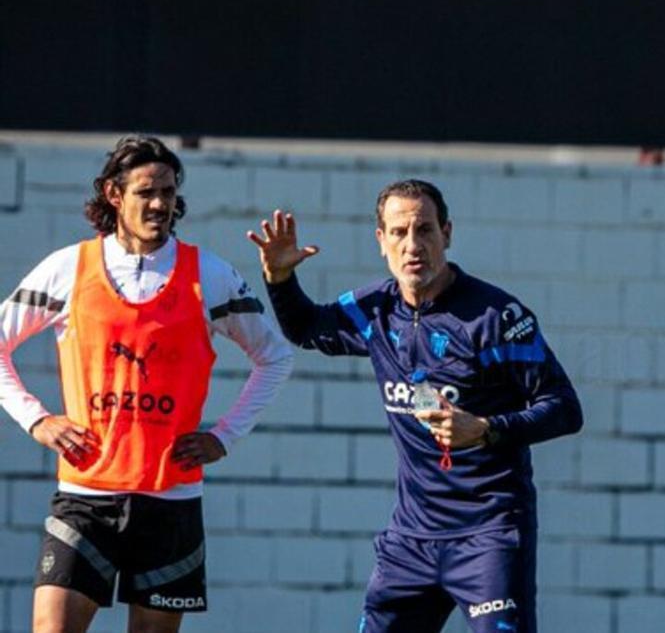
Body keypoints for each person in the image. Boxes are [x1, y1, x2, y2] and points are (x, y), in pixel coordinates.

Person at [249, 179, 582, 633]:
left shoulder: (495, 317)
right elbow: (308, 328)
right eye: (400, 232)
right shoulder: (376, 309)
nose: (413, 245)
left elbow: (564, 407)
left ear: (447, 233)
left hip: (488, 534)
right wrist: (281, 279)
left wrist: (485, 429)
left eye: (424, 230)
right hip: (412, 540)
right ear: (381, 240)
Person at [0, 135, 294, 633]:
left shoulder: (210, 275)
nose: (160, 203)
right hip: (84, 495)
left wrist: (224, 435)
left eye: (168, 191)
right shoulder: (69, 267)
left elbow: (275, 356)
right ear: (114, 195)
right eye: (145, 192)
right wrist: (37, 419)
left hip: (170, 501)